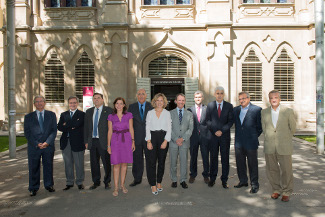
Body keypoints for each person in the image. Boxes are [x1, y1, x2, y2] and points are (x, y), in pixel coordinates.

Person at [261, 90, 296, 202]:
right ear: (269, 99)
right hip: (270, 145)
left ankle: (286, 191)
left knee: (286, 170)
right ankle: (276, 190)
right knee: (272, 169)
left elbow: (293, 128)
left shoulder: (288, 111)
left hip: (284, 146)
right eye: (271, 98)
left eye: (275, 97)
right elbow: (264, 128)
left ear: (279, 99)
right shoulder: (264, 112)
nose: (273, 99)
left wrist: (284, 139)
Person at [24, 95, 57, 196]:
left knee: (48, 166)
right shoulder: (28, 117)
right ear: (34, 104)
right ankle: (33, 187)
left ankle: (49, 185)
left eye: (41, 101)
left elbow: (54, 130)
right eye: (37, 102)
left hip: (48, 146)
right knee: (34, 167)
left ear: (44, 103)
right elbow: (27, 133)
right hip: (34, 147)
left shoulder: (51, 115)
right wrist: (36, 143)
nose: (39, 103)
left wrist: (47, 142)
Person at [233, 91, 262, 194]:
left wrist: (253, 136)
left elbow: (260, 127)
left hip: (251, 142)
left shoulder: (257, 110)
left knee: (252, 164)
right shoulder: (235, 110)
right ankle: (243, 181)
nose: (242, 100)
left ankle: (254, 184)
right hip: (239, 142)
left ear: (249, 99)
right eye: (240, 99)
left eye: (244, 98)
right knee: (240, 163)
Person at [206, 86, 234, 188]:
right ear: (215, 94)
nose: (219, 95)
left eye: (221, 93)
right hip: (213, 137)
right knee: (213, 158)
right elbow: (208, 121)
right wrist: (215, 131)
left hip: (224, 137)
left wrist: (222, 130)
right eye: (217, 93)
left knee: (225, 159)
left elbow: (231, 121)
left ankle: (224, 180)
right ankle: (212, 179)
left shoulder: (229, 106)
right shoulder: (210, 105)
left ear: (224, 94)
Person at [84, 93, 113, 190]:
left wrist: (111, 143)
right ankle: (96, 181)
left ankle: (107, 181)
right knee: (94, 163)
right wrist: (86, 141)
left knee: (106, 162)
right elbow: (86, 128)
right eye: (94, 98)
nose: (96, 100)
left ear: (102, 99)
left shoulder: (109, 111)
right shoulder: (88, 112)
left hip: (104, 141)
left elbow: (112, 128)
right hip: (92, 141)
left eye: (98, 98)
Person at [107, 97, 135, 196]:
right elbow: (109, 131)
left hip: (126, 140)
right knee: (116, 164)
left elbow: (131, 128)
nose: (119, 105)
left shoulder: (129, 115)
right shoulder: (111, 116)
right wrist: (108, 145)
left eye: (121, 103)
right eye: (117, 103)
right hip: (115, 140)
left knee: (124, 164)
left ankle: (122, 185)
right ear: (114, 105)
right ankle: (115, 187)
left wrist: (133, 141)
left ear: (124, 105)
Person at [145, 93, 171, 195]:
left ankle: (159, 182)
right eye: (157, 100)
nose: (159, 102)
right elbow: (147, 127)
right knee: (152, 162)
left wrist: (165, 141)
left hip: (163, 137)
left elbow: (169, 128)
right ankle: (153, 184)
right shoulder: (150, 113)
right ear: (154, 101)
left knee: (161, 162)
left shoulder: (167, 113)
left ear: (164, 102)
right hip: (152, 137)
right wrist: (148, 141)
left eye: (161, 100)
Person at [57, 96, 85, 190]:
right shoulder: (63, 114)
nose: (72, 104)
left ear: (77, 103)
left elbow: (78, 124)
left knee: (79, 163)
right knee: (68, 163)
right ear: (68, 104)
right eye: (70, 103)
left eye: (74, 103)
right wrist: (72, 126)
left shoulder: (82, 114)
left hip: (78, 142)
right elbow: (60, 127)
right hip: (66, 142)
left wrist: (67, 125)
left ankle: (80, 182)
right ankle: (69, 182)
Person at [128, 89, 153, 187]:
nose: (141, 96)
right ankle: (137, 179)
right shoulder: (132, 107)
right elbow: (129, 123)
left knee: (150, 160)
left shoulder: (151, 106)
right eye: (139, 94)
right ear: (136, 96)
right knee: (137, 160)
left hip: (149, 139)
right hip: (136, 138)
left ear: (146, 95)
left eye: (143, 94)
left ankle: (151, 180)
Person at [170, 93, 194, 189]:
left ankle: (183, 180)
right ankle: (174, 180)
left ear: (185, 101)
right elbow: (169, 128)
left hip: (184, 142)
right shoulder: (170, 113)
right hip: (173, 142)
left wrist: (182, 138)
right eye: (179, 100)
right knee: (173, 162)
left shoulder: (189, 114)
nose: (181, 102)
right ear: (176, 101)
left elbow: (190, 129)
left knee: (184, 162)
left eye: (183, 100)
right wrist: (176, 139)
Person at [188, 90, 210, 184]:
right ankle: (193, 175)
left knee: (205, 156)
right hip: (193, 137)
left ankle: (206, 175)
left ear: (202, 98)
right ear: (194, 98)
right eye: (196, 97)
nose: (198, 99)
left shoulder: (207, 109)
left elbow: (210, 123)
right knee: (193, 157)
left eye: (199, 97)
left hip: (205, 137)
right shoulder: (190, 110)